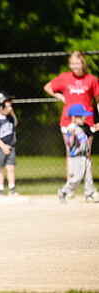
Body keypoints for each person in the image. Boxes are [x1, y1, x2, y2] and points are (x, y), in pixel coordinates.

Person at [43, 51, 99, 195]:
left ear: (83, 63)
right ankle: (70, 190)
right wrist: (59, 96)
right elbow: (48, 86)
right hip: (68, 122)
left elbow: (98, 101)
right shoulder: (64, 77)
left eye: (77, 63)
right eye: (72, 63)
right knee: (71, 153)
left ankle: (89, 191)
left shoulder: (91, 79)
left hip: (87, 121)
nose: (74, 66)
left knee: (86, 154)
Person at [58, 104, 99, 203]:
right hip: (76, 157)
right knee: (77, 177)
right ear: (74, 118)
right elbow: (70, 144)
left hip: (85, 156)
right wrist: (71, 134)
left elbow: (91, 130)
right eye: (81, 116)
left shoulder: (84, 127)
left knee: (88, 176)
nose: (83, 118)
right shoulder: (72, 128)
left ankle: (89, 194)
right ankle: (63, 191)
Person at [0, 90, 19, 197]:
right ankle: (0, 190)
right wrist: (3, 147)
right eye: (8, 106)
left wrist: (11, 112)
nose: (10, 108)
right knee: (0, 169)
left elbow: (16, 122)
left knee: (11, 168)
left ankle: (12, 188)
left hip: (11, 147)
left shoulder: (9, 118)